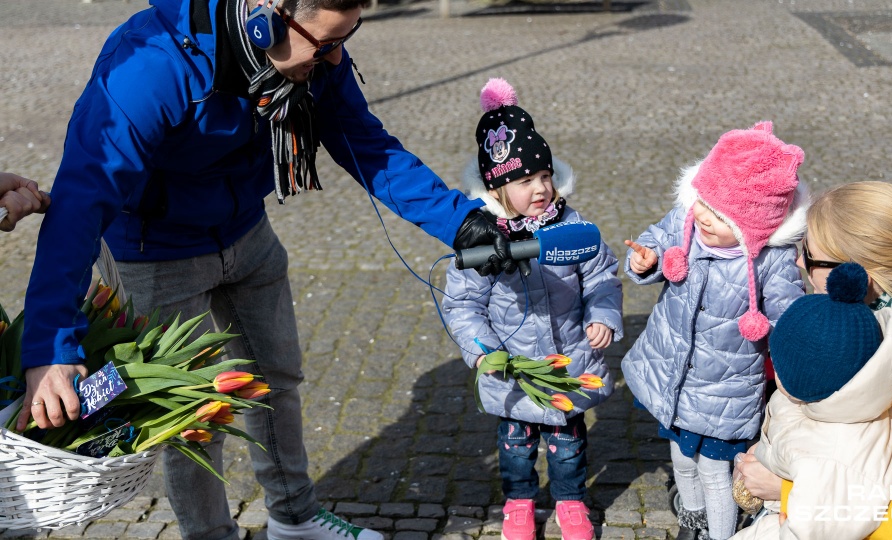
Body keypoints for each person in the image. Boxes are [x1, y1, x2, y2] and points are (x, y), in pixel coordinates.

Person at [14, 1, 520, 539]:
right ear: (265, 17)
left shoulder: (315, 54)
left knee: (276, 380)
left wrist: (461, 223)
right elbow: (80, 204)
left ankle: (295, 519)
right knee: (195, 418)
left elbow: (365, 144)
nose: (334, 58)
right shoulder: (150, 64)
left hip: (246, 233)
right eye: (323, 44)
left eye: (346, 39)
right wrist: (49, 348)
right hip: (153, 252)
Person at [441, 78, 623, 540]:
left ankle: (570, 501)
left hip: (569, 362)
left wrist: (602, 316)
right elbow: (463, 304)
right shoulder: (481, 240)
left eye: (545, 176)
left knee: (568, 444)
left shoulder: (571, 226)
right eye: (526, 181)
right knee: (516, 446)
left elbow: (602, 277)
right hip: (514, 370)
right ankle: (519, 503)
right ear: (498, 189)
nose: (541, 188)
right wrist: (482, 351)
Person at [735, 181, 892, 540]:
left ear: (858, 276)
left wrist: (790, 490)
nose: (797, 262)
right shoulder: (874, 322)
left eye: (809, 255)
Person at [620, 121, 809, 540]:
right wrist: (646, 263)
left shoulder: (770, 261)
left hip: (724, 390)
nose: (703, 216)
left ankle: (721, 533)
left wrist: (781, 327)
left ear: (753, 225)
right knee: (681, 460)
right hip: (673, 375)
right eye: (703, 202)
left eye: (720, 215)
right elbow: (654, 242)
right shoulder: (685, 221)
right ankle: (692, 521)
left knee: (713, 472)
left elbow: (788, 317)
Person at [731, 261, 892, 540]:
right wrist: (766, 454)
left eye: (776, 364)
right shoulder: (828, 400)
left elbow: (810, 531)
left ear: (801, 379)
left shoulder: (832, 461)